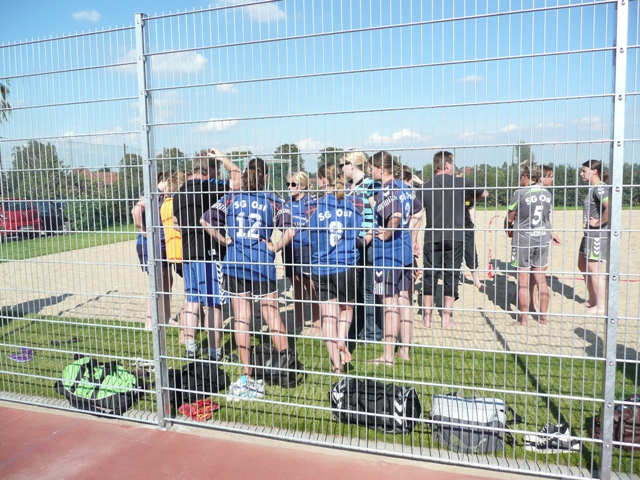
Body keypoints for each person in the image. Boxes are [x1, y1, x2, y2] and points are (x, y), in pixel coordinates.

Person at [201, 158, 289, 400]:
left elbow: (205, 220)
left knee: (242, 317)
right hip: (262, 262)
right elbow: (291, 229)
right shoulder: (272, 199)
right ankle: (286, 366)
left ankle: (247, 374)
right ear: (266, 177)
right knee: (272, 313)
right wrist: (275, 247)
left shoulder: (231, 197)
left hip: (235, 262)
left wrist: (224, 240)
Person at [172, 149, 241, 359]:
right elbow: (239, 181)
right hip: (208, 254)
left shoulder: (179, 193)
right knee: (213, 304)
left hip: (188, 254)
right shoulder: (209, 187)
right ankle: (214, 351)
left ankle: (190, 347)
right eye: (216, 169)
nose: (218, 173)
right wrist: (223, 158)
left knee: (192, 301)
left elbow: (176, 223)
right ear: (210, 169)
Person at [303, 164, 363, 373]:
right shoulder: (354, 204)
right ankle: (341, 339)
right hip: (346, 264)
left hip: (321, 266)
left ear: (321, 180)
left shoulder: (311, 207)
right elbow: (360, 233)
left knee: (328, 317)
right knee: (347, 308)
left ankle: (337, 367)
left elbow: (308, 235)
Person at [418, 151, 488, 328]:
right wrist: (466, 197)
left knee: (429, 275)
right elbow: (484, 193)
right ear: (447, 165)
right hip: (455, 236)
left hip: (432, 237)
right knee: (451, 274)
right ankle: (446, 317)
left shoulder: (426, 187)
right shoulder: (460, 183)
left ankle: (427, 317)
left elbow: (416, 212)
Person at [369, 151, 422, 365]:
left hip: (388, 255)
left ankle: (388, 356)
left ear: (381, 169)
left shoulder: (387, 189)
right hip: (405, 254)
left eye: (371, 169)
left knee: (389, 304)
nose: (370, 172)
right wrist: (412, 236)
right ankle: (404, 351)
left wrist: (388, 233)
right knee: (404, 300)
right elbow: (418, 212)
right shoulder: (404, 187)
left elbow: (397, 215)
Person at [506, 164, 560, 325]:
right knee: (541, 280)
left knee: (522, 281)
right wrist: (550, 233)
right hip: (542, 239)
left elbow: (510, 217)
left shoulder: (520, 193)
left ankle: (523, 319)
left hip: (523, 240)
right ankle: (542, 318)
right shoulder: (547, 194)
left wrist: (508, 228)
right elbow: (545, 219)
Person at [342, 149, 382, 341]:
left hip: (368, 244)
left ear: (352, 164)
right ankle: (357, 329)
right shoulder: (349, 187)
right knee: (356, 290)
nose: (341, 169)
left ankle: (372, 332)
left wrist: (369, 235)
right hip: (353, 244)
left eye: (342, 164)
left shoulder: (371, 184)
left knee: (368, 290)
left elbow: (378, 213)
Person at [131, 172, 173, 330]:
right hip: (149, 245)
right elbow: (135, 210)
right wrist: (142, 229)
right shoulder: (153, 193)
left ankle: (167, 317)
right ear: (167, 181)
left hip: (161, 244)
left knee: (167, 280)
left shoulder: (162, 195)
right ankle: (150, 322)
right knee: (155, 284)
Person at [280, 172, 320, 335]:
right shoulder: (286, 203)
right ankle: (299, 319)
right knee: (295, 284)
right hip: (289, 248)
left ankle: (317, 321)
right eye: (288, 184)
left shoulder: (311, 202)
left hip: (306, 248)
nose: (289, 187)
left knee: (311, 285)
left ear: (303, 186)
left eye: (293, 184)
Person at [578, 159, 611, 315]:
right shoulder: (593, 189)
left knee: (594, 269)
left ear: (594, 171)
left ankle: (601, 306)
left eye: (584, 171)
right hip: (588, 234)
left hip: (597, 235)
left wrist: (598, 223)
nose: (581, 174)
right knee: (582, 264)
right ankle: (592, 299)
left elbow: (609, 207)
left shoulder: (600, 188)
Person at [160, 171, 187, 344]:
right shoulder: (178, 203)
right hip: (184, 253)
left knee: (191, 294)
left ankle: (198, 325)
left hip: (173, 254)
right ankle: (184, 335)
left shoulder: (164, 204)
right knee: (190, 296)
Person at [454, 169, 483, 291]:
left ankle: (476, 280)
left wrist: (473, 224)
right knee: (454, 254)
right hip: (453, 227)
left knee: (471, 253)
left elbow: (471, 209)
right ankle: (454, 279)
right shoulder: (449, 194)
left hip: (466, 227)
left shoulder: (467, 196)